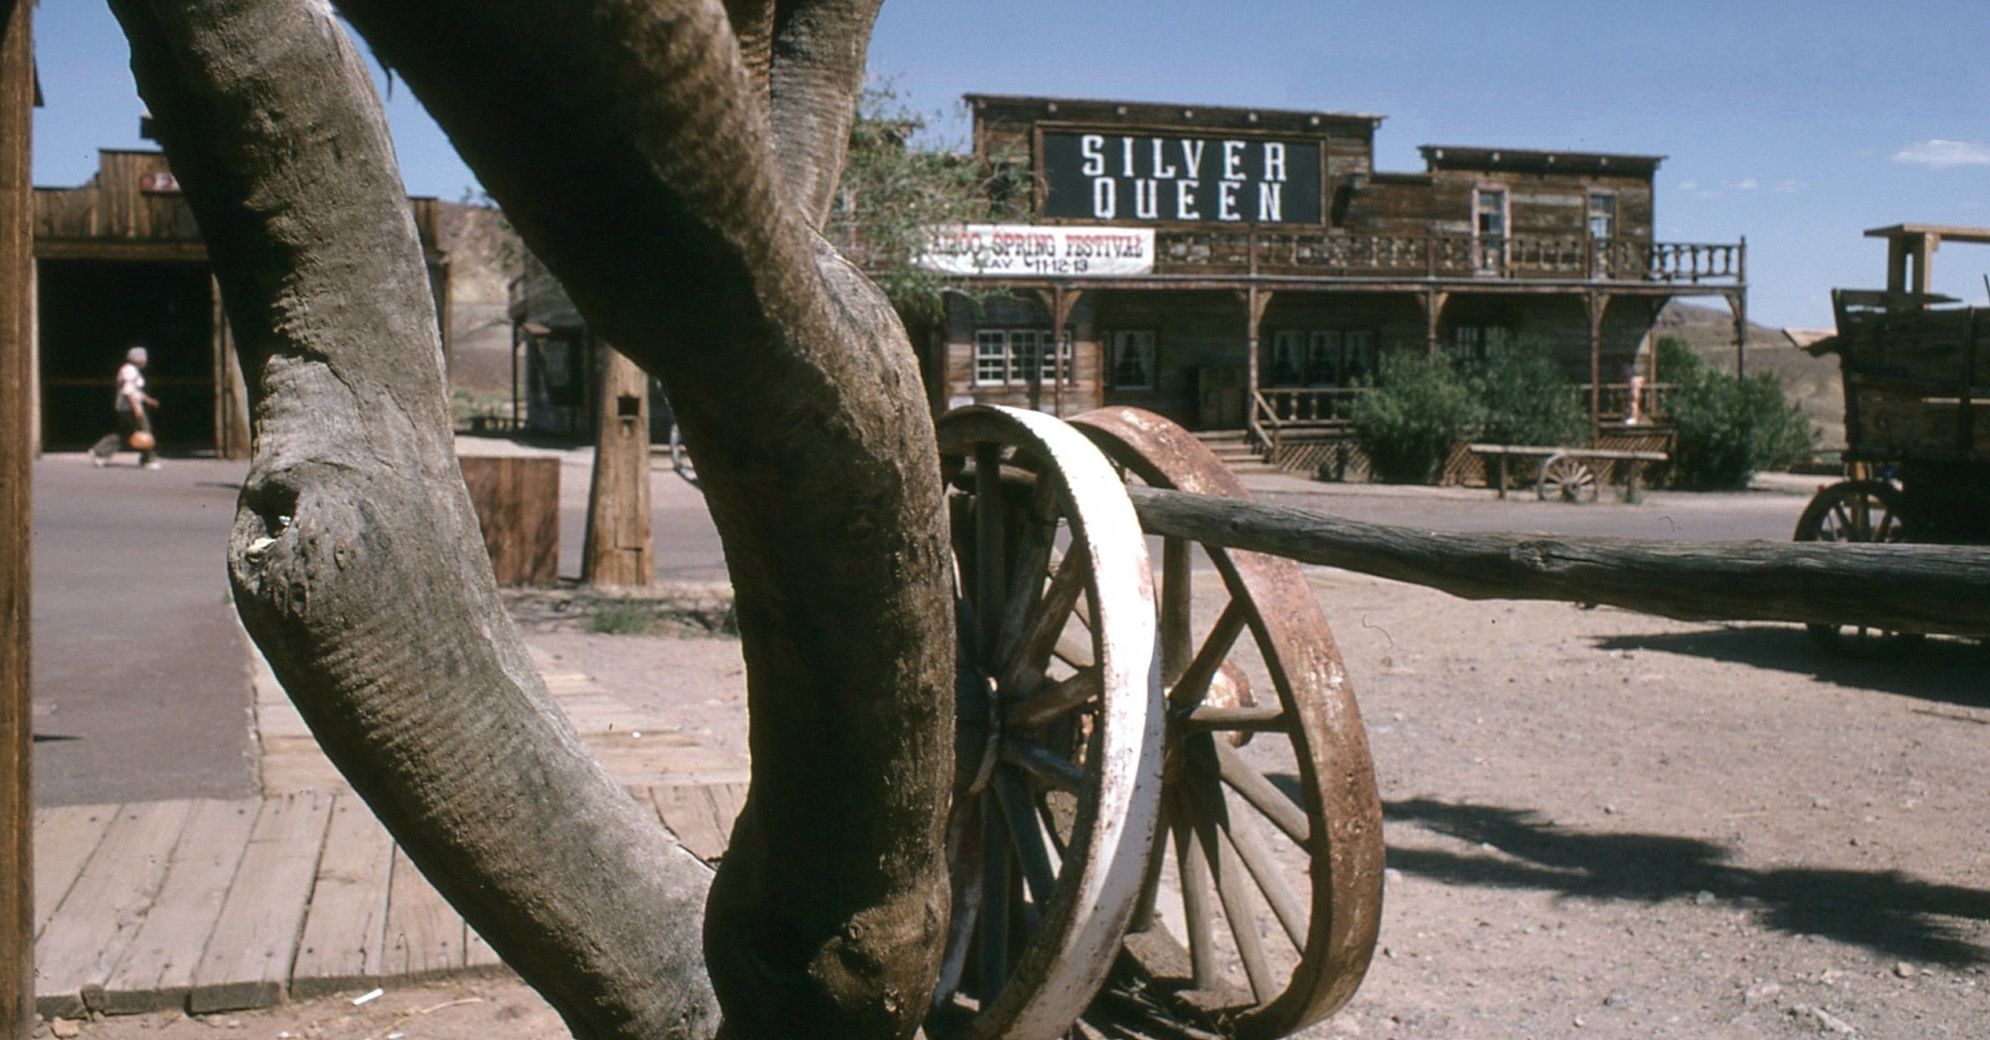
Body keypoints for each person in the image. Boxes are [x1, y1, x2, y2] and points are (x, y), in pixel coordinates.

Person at [89, 346, 162, 469]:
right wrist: (136, 408)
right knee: (144, 431)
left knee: (127, 433)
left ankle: (99, 451)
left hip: (127, 407)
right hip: (129, 407)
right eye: (144, 358)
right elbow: (128, 391)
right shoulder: (130, 371)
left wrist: (148, 400)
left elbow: (135, 390)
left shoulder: (131, 370)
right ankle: (148, 459)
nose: (146, 361)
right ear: (139, 359)